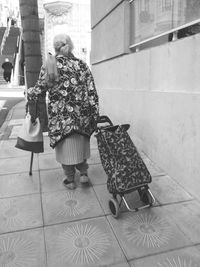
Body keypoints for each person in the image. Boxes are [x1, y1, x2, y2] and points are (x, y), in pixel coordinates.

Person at [27, 34, 99, 189]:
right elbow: (92, 92)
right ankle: (84, 175)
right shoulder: (81, 65)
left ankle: (70, 180)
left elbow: (40, 88)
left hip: (61, 119)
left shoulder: (51, 65)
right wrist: (94, 113)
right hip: (81, 117)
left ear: (55, 47)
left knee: (65, 150)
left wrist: (29, 93)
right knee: (80, 147)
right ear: (70, 46)